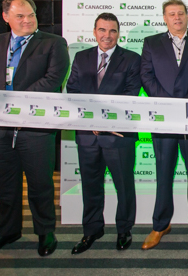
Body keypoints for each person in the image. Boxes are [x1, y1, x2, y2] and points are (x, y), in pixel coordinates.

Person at [0, 0, 69, 262]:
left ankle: (45, 232)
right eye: (20, 16)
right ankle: (7, 231)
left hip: (35, 127)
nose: (28, 20)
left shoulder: (53, 43)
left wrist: (14, 102)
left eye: (31, 15)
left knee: (40, 184)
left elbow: (52, 80)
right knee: (5, 185)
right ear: (6, 17)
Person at [66, 13, 141, 254]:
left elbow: (130, 95)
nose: (107, 35)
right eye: (102, 30)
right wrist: (92, 120)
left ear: (118, 33)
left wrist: (104, 120)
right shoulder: (81, 57)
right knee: (91, 186)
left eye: (112, 31)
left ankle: (124, 229)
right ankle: (92, 230)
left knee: (124, 186)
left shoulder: (132, 59)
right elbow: (73, 91)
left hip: (117, 135)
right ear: (94, 31)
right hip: (88, 135)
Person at [140, 0, 188, 250]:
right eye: (172, 14)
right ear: (164, 18)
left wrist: (187, 102)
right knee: (163, 174)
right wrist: (169, 104)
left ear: (187, 16)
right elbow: (146, 76)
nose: (177, 17)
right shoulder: (151, 43)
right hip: (163, 119)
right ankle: (160, 225)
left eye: (180, 13)